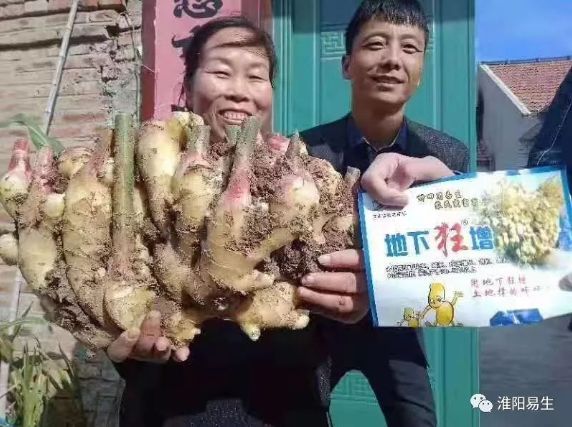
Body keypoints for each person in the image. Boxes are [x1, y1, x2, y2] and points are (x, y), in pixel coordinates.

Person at [107, 10, 462, 427]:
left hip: (285, 407)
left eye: (256, 77)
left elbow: (340, 291)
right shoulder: (134, 181)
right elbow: (116, 305)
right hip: (171, 411)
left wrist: (364, 293)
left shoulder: (305, 180)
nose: (239, 91)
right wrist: (125, 342)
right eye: (221, 72)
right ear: (187, 87)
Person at [298, 1, 469, 426]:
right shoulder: (302, 151)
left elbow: (464, 262)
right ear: (346, 65)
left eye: (410, 48)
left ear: (421, 71)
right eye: (375, 44)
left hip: (398, 325)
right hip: (317, 324)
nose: (393, 59)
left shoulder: (446, 156)